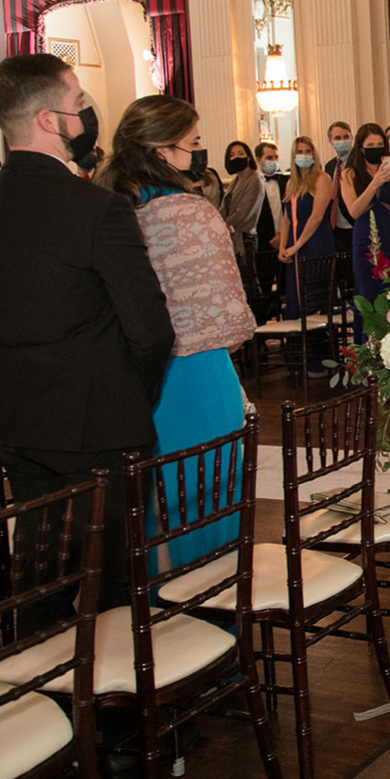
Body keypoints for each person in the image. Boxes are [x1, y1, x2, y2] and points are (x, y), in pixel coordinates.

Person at [0, 53, 173, 631]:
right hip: (99, 418)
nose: (85, 113)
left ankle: (52, 704)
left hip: (20, 415)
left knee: (40, 575)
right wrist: (132, 392)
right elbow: (151, 329)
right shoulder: (98, 207)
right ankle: (123, 717)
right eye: (79, 102)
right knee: (113, 585)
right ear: (51, 120)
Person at [94, 96, 256, 567]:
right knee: (208, 501)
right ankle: (215, 613)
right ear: (164, 151)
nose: (197, 154)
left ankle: (158, 620)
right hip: (198, 374)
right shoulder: (192, 211)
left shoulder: (107, 208)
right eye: (194, 144)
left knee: (145, 508)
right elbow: (230, 315)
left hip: (131, 379)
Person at [339, 123, 390, 324]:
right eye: (371, 145)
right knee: (368, 293)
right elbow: (354, 210)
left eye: (380, 144)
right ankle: (368, 348)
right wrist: (376, 182)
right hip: (365, 239)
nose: (375, 148)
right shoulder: (349, 174)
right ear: (361, 147)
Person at [279, 136, 336, 375]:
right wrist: (283, 246)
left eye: (308, 151)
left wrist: (297, 245)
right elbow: (286, 218)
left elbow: (315, 216)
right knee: (295, 300)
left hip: (315, 245)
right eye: (299, 151)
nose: (304, 155)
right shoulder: (292, 183)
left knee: (314, 302)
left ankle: (319, 360)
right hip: (294, 248)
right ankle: (298, 360)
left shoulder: (322, 179)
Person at [221, 140, 265, 300]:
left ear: (248, 157)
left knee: (250, 284)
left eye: (241, 154)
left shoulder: (255, 179)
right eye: (232, 155)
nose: (236, 158)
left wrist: (226, 225)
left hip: (245, 238)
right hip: (231, 236)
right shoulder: (236, 181)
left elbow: (245, 212)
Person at [252, 141, 286, 321]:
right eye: (269, 158)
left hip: (286, 241)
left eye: (276, 157)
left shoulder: (285, 181)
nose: (273, 161)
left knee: (285, 289)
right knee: (262, 289)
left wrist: (282, 235)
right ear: (258, 160)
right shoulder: (253, 183)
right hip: (263, 242)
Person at [323, 120, 356, 257]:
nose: (342, 141)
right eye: (337, 138)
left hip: (355, 225)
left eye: (346, 137)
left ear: (351, 138)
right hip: (336, 229)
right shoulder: (330, 166)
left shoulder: (358, 162)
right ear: (330, 141)